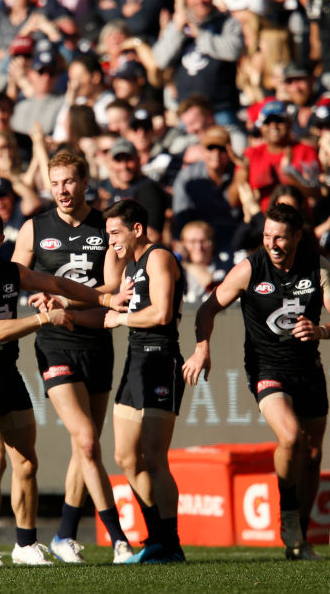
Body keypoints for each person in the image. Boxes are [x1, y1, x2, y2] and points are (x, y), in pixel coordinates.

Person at [0, 206, 127, 567]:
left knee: (27, 463)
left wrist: (105, 299)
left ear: (0, 240)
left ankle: (25, 545)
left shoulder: (12, 272)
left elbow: (57, 284)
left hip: (6, 374)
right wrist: (45, 318)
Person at [182, 203, 330, 561]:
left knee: (311, 454)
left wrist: (321, 329)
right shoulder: (250, 268)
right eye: (266, 236)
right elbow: (207, 308)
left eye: (279, 237)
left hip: (308, 369)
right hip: (266, 368)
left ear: (296, 237)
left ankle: (299, 540)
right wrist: (201, 349)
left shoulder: (317, 267)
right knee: (290, 436)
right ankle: (287, 511)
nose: (272, 243)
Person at [11, 151, 135, 564]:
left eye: (69, 181)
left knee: (87, 448)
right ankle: (119, 539)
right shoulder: (34, 228)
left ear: (84, 183)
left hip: (98, 339)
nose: (62, 190)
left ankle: (64, 535)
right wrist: (34, 295)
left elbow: (114, 284)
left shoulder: (106, 226)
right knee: (85, 440)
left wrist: (60, 295)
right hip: (55, 344)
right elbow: (14, 276)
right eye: (55, 182)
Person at [101, 198, 186, 563]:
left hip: (160, 359)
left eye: (116, 232)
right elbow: (108, 284)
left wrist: (119, 320)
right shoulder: (131, 263)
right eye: (107, 234)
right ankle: (157, 537)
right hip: (135, 360)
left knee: (154, 456)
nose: (111, 241)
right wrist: (114, 247)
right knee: (124, 456)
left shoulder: (159, 257)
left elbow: (163, 312)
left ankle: (170, 542)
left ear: (137, 229)